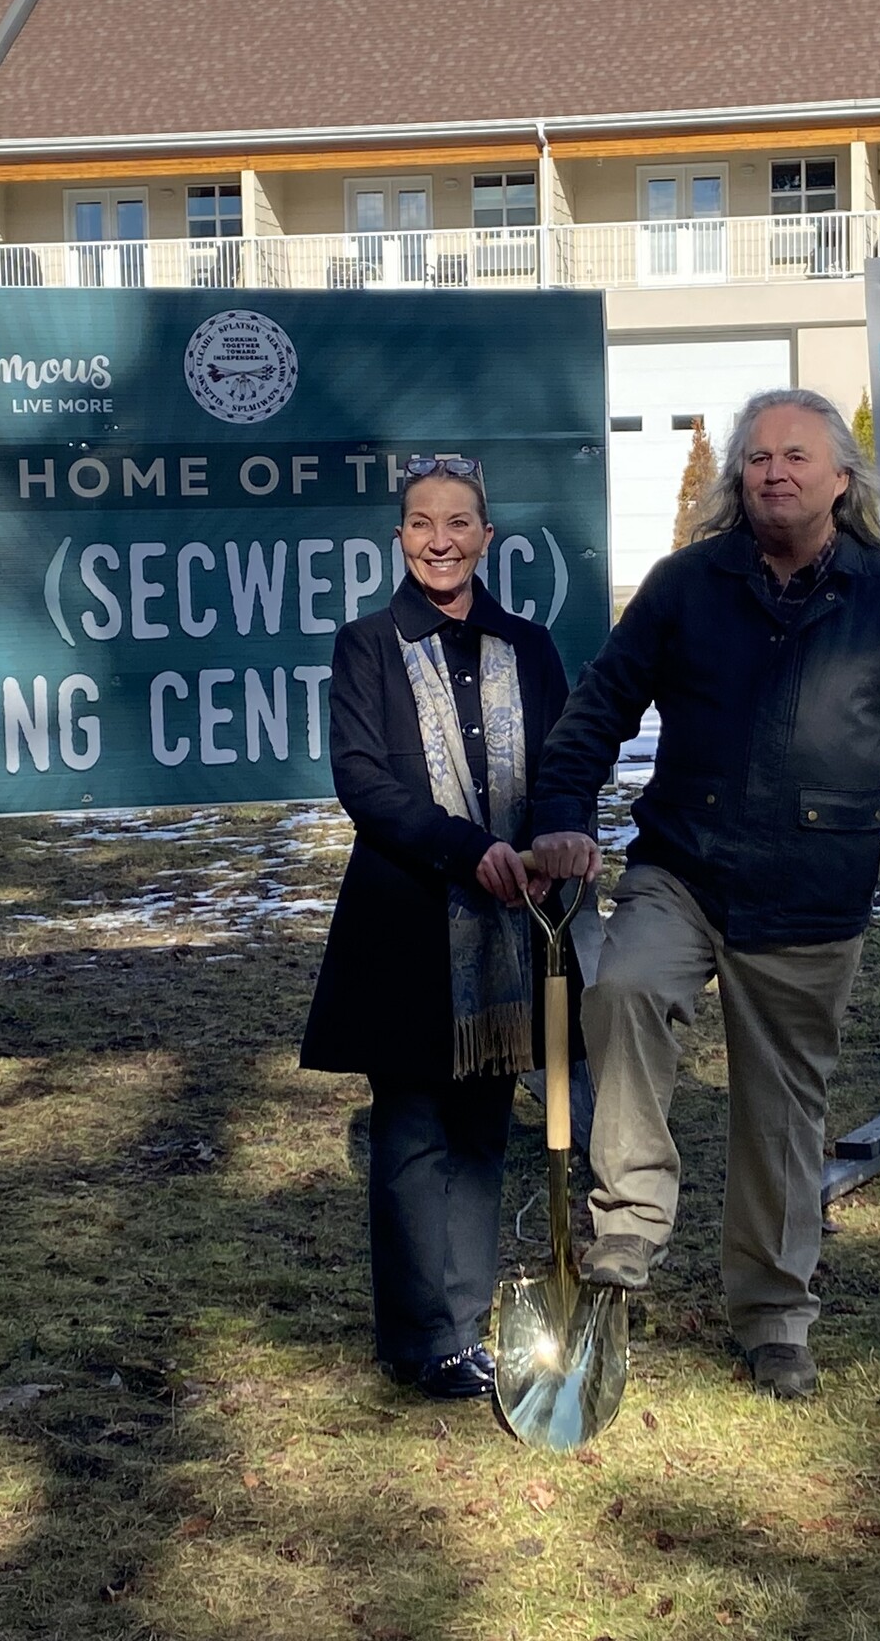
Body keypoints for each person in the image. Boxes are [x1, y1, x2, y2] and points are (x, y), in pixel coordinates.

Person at [528, 389, 880, 1401]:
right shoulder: (686, 585)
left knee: (780, 1114)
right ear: (738, 477)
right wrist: (561, 810)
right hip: (682, 868)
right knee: (624, 990)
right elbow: (599, 707)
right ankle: (627, 1234)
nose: (774, 472)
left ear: (840, 479)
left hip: (812, 893)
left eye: (796, 457)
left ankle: (773, 1317)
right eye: (757, 456)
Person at [303, 457, 574, 1399]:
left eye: (459, 522)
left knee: (484, 1129)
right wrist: (467, 849)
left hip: (512, 928)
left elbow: (563, 764)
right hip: (406, 925)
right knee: (413, 1133)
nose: (440, 539)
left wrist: (554, 837)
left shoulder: (531, 648)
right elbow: (364, 783)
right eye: (421, 523)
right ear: (400, 538)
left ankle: (462, 1326)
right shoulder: (366, 646)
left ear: (488, 537)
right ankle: (416, 1337)